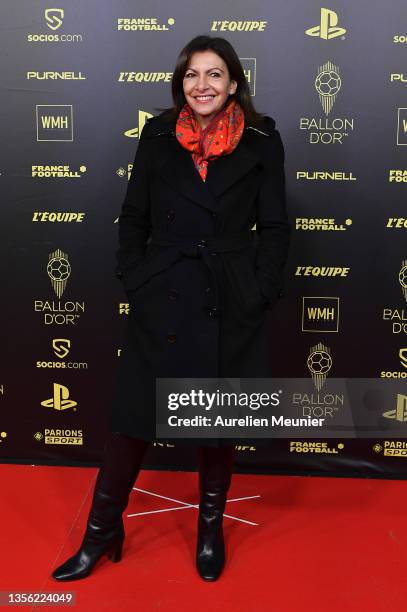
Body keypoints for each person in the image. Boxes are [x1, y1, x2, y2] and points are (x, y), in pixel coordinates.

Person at [52, 34, 290, 583]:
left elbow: (275, 226)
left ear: (234, 84)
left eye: (213, 75)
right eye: (191, 75)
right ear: (180, 84)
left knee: (214, 423)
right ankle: (102, 531)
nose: (201, 85)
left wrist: (258, 289)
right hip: (163, 291)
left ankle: (210, 530)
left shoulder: (261, 141)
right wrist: (136, 276)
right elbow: (133, 214)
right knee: (132, 419)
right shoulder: (158, 135)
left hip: (227, 295)